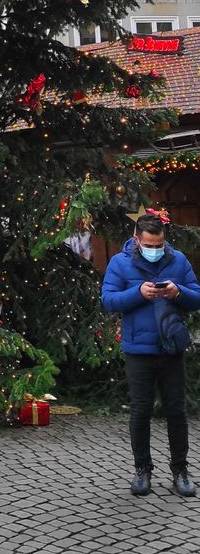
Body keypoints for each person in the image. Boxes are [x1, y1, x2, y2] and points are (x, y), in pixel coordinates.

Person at [101, 212, 200, 498]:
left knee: (176, 412)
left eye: (159, 244)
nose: (155, 250)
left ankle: (180, 470)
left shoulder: (178, 260)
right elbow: (107, 300)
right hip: (138, 351)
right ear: (136, 240)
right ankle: (142, 470)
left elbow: (197, 297)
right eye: (149, 244)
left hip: (171, 348)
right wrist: (137, 293)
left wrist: (177, 291)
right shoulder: (120, 263)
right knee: (140, 411)